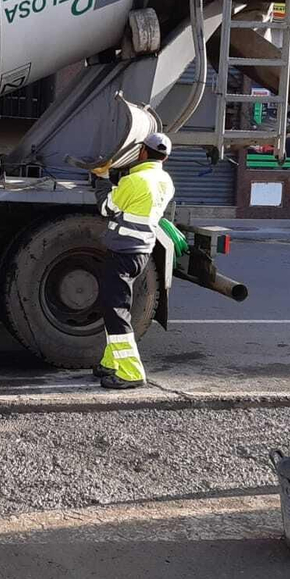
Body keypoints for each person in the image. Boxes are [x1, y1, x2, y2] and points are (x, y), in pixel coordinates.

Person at [95, 131, 176, 391]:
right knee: (114, 307)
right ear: (164, 157)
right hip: (141, 253)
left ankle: (130, 373)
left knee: (116, 311)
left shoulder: (134, 180)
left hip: (122, 253)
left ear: (142, 152)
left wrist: (102, 178)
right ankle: (111, 362)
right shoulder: (166, 181)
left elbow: (106, 207)